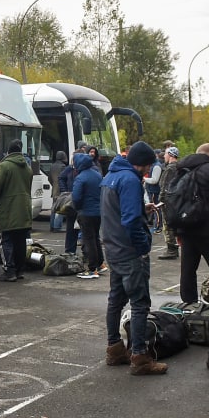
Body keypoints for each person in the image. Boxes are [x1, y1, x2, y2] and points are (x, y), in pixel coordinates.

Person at [100, 141, 166, 375]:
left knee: (115, 300)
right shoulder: (129, 180)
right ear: (144, 164)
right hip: (128, 251)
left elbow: (118, 212)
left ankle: (114, 348)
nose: (149, 171)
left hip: (112, 247)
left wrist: (140, 208)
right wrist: (143, 245)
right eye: (148, 166)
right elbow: (129, 221)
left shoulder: (111, 176)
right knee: (139, 303)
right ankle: (139, 356)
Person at [168, 143, 209, 303]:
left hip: (186, 227)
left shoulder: (181, 170)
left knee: (188, 271)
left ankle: (189, 304)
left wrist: (177, 230)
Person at [0, 140, 35, 281]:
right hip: (24, 208)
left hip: (8, 208)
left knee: (7, 239)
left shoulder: (4, 166)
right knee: (20, 241)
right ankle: (20, 270)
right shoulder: (27, 167)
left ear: (8, 152)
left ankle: (10, 270)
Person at [71, 152, 103, 278]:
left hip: (86, 212)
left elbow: (76, 197)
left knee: (88, 240)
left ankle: (92, 268)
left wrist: (77, 208)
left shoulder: (81, 177)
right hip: (98, 211)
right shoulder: (97, 174)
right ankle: (100, 264)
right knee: (95, 238)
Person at [157, 146, 181, 260]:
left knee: (167, 225)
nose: (164, 156)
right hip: (177, 200)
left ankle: (171, 249)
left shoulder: (170, 169)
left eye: (166, 154)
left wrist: (161, 200)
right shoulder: (180, 167)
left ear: (171, 155)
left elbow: (165, 186)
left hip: (168, 201)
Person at [56, 151, 80, 255]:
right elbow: (61, 178)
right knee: (71, 228)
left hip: (82, 203)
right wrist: (64, 191)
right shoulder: (70, 169)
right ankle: (70, 251)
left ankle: (87, 254)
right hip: (72, 202)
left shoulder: (87, 170)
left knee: (84, 231)